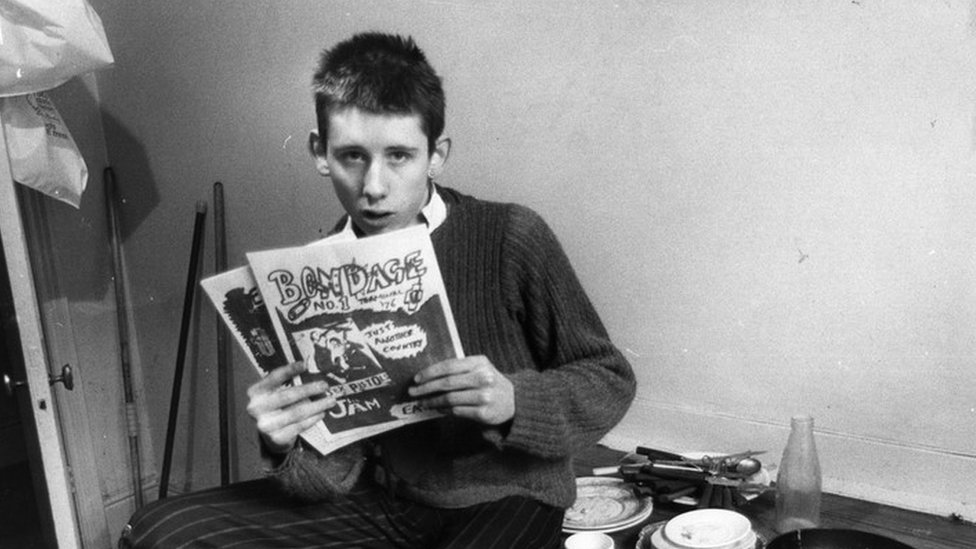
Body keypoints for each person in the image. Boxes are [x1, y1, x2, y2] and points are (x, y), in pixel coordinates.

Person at [119, 32, 635, 549]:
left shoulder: (508, 235)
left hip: (509, 495)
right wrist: (285, 443)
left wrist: (514, 400)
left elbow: (609, 378)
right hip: (384, 503)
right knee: (160, 531)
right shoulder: (312, 276)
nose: (374, 187)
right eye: (352, 156)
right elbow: (324, 482)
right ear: (320, 153)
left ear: (437, 154)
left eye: (399, 156)